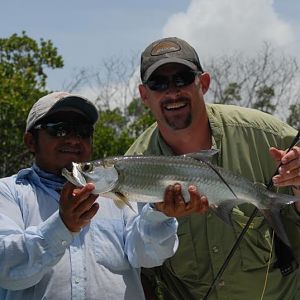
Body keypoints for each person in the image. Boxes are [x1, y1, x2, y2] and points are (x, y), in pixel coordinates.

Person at [126, 37, 300, 300]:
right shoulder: (131, 166)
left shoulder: (268, 136)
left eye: (182, 78)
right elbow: (139, 269)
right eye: (158, 83)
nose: (172, 92)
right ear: (144, 95)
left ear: (203, 83)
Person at [0, 91, 205, 300]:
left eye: (83, 131)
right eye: (59, 130)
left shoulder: (120, 191)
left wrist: (160, 214)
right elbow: (5, 268)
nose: (73, 139)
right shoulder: (8, 192)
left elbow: (148, 255)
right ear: (31, 141)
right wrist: (62, 225)